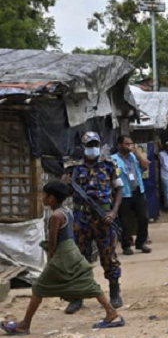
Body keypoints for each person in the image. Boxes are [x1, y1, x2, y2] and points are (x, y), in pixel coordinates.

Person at [1, 181, 125, 335]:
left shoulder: (55, 216)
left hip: (63, 253)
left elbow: (53, 241)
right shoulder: (67, 211)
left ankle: (25, 325)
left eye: (44, 195)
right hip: (72, 251)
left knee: (39, 288)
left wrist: (51, 258)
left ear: (52, 198)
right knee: (87, 282)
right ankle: (111, 311)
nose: (42, 198)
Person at [63, 131, 124, 314]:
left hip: (103, 217)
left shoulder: (109, 165)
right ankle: (77, 297)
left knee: (108, 256)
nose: (93, 148)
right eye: (89, 145)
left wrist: (113, 212)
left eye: (95, 144)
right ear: (83, 147)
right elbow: (64, 193)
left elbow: (119, 189)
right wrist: (64, 183)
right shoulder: (73, 168)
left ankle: (114, 291)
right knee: (80, 258)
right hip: (81, 218)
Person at [112, 135, 152, 255]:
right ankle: (126, 245)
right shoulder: (113, 159)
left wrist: (137, 153)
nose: (129, 146)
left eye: (131, 144)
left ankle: (141, 242)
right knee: (125, 221)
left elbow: (145, 166)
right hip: (123, 194)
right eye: (126, 144)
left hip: (138, 191)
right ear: (119, 145)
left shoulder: (134, 157)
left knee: (143, 218)